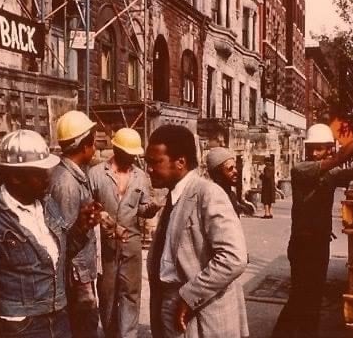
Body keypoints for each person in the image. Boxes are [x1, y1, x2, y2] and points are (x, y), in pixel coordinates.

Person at [0, 129, 101, 338]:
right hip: (21, 328)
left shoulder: (47, 204)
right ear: (16, 178)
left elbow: (57, 259)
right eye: (40, 172)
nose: (48, 177)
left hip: (58, 321)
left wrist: (80, 229)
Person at [145, 124, 249, 338]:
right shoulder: (173, 195)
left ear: (180, 162)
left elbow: (233, 258)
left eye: (155, 162)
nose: (149, 169)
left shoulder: (207, 194)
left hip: (199, 311)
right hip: (169, 302)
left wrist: (189, 296)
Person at [271, 123, 353, 338]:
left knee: (314, 298)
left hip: (319, 244)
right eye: (312, 148)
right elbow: (339, 160)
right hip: (302, 245)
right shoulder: (301, 169)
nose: (315, 153)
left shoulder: (330, 173)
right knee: (300, 297)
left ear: (329, 148)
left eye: (320, 148)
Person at [88, 128, 161, 338]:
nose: (131, 157)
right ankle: (111, 333)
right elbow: (89, 206)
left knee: (130, 292)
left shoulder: (141, 177)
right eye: (127, 153)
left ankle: (128, 334)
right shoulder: (96, 174)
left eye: (133, 154)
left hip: (131, 242)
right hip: (106, 243)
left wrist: (152, 208)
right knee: (107, 293)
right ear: (117, 149)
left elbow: (143, 209)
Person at [48, 110, 100, 338]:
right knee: (84, 327)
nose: (95, 149)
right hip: (76, 274)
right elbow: (65, 237)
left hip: (80, 271)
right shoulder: (67, 183)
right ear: (85, 146)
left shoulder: (72, 175)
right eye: (94, 143)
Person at [206, 147, 245, 217]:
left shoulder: (231, 195)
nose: (235, 171)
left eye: (235, 167)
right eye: (230, 168)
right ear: (218, 173)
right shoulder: (212, 198)